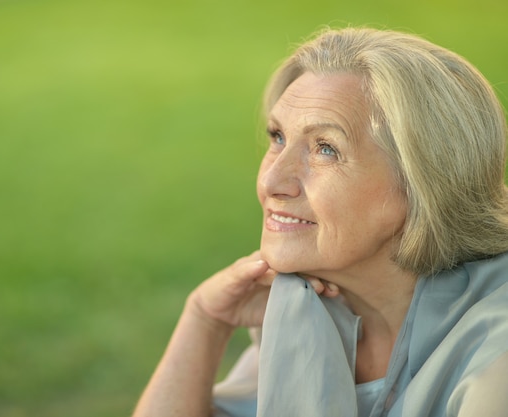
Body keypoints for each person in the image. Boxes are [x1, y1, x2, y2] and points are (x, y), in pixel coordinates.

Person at [132, 27, 508, 417]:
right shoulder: (309, 304)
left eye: (325, 149)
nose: (271, 181)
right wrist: (204, 321)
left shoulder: (498, 354)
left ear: (426, 182)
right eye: (278, 137)